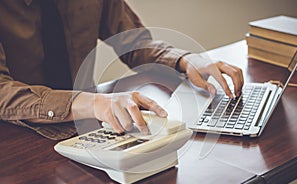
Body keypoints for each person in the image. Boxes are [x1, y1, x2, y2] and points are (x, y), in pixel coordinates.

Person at [0, 0, 243, 140]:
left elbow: (133, 42)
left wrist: (186, 60)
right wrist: (93, 102)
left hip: (86, 126)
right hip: (16, 134)